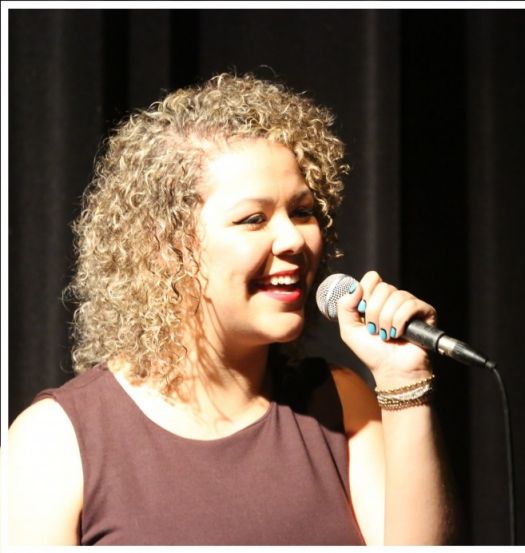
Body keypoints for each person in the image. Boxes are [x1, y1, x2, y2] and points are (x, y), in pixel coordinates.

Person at [7, 73, 455, 545]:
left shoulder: (341, 406)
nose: (294, 241)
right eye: (253, 219)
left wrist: (404, 382)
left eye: (302, 212)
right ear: (165, 246)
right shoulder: (56, 441)